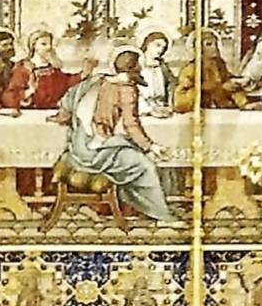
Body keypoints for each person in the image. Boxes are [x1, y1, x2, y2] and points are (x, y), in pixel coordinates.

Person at [56, 50, 174, 225]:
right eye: (139, 64)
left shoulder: (98, 79)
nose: (141, 67)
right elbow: (131, 125)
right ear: (133, 68)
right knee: (145, 166)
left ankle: (128, 208)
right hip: (98, 151)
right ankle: (160, 215)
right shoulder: (126, 89)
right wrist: (151, 146)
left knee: (131, 152)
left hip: (78, 149)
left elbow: (67, 102)